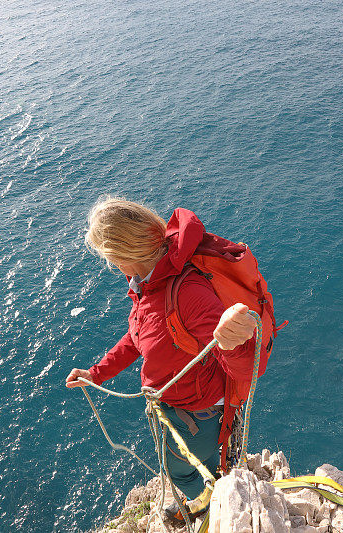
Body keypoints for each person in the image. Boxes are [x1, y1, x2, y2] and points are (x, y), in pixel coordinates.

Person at [65, 197, 257, 524]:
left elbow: (242, 365)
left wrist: (233, 339)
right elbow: (137, 336)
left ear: (121, 255)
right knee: (207, 462)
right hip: (189, 409)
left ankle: (206, 500)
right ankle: (217, 482)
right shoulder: (147, 285)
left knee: (178, 470)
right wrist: (96, 374)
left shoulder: (186, 293)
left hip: (196, 413)